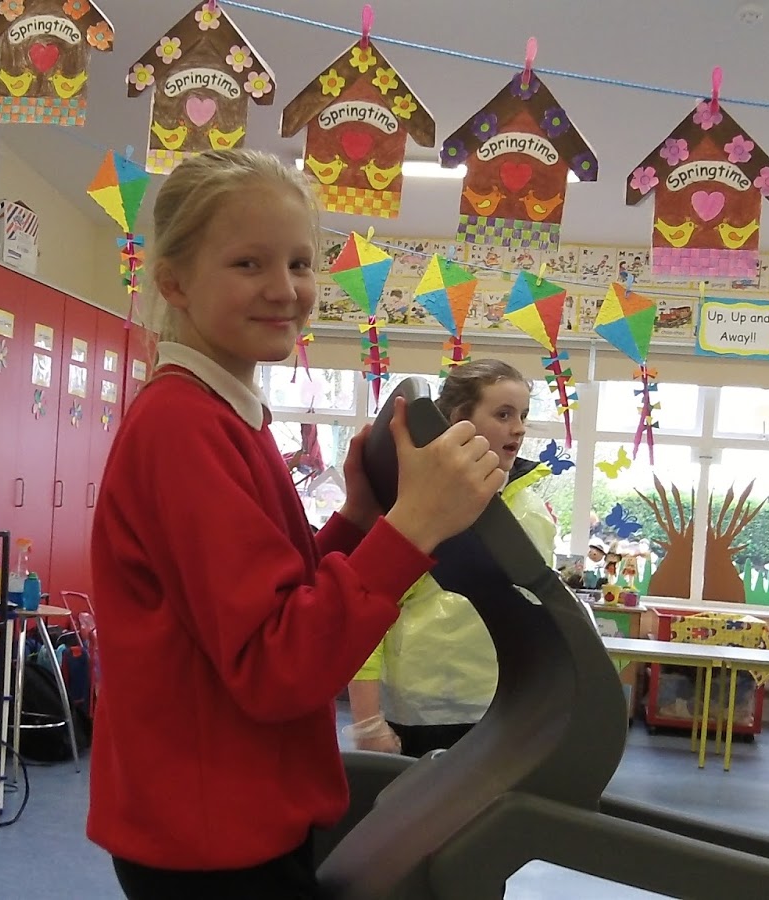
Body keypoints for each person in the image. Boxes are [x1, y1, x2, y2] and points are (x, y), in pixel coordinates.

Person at [86, 148, 505, 900]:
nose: (285, 290)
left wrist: (358, 521)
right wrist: (411, 529)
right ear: (174, 283)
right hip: (211, 842)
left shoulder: (222, 415)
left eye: (300, 263)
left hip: (228, 818)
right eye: (248, 263)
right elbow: (276, 664)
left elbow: (261, 600)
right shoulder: (183, 427)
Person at [345, 360, 559, 758]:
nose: (518, 428)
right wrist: (368, 720)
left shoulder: (531, 509)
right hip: (423, 712)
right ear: (461, 419)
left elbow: (537, 611)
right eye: (503, 414)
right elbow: (368, 610)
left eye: (523, 416)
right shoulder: (422, 507)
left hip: (509, 706)